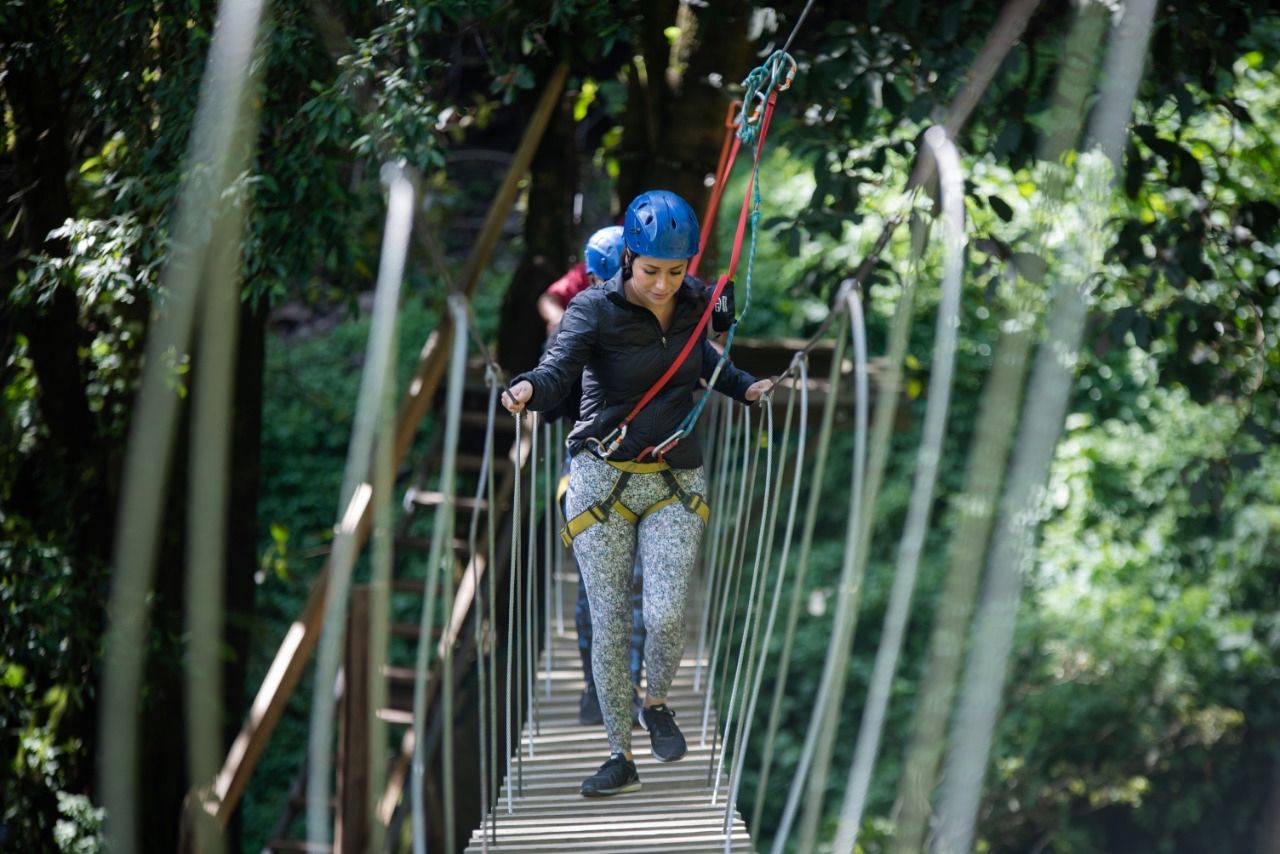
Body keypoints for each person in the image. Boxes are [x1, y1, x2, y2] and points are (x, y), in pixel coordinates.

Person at [502, 189, 770, 798]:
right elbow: (555, 373)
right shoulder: (591, 310)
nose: (663, 285)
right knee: (611, 619)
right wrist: (524, 390)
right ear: (627, 258)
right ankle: (619, 752)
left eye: (676, 272)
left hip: (675, 479)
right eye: (652, 271)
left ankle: (657, 703)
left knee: (669, 610)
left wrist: (748, 387)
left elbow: (705, 361)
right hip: (600, 479)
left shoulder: (697, 301)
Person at [540, 225, 648, 727]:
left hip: (601, 467)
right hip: (620, 468)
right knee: (625, 586)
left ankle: (603, 689)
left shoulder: (579, 324)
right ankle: (613, 687)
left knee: (607, 585)